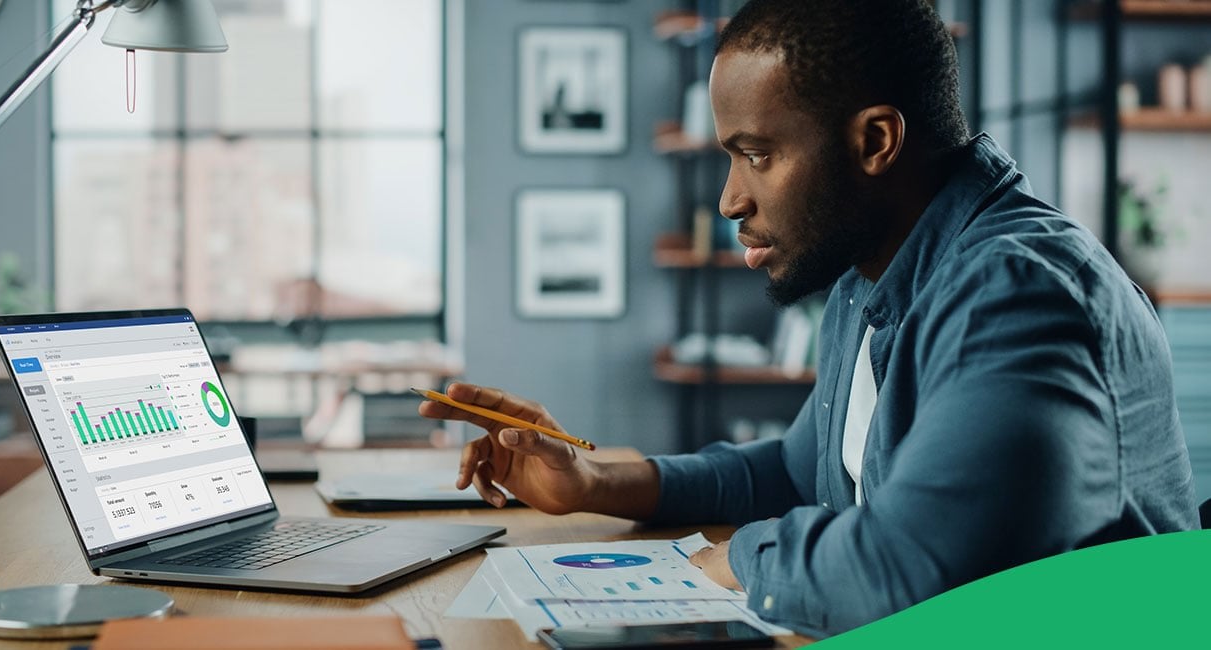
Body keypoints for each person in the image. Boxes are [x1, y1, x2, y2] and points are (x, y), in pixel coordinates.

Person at [418, 0, 1198, 637]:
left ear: (875, 141)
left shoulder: (1020, 295)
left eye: (756, 155)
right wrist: (592, 479)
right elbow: (800, 472)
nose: (729, 200)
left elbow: (911, 571)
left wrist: (741, 562)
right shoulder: (872, 271)